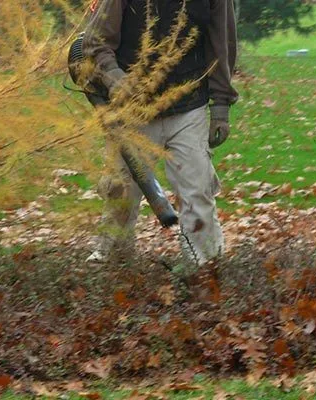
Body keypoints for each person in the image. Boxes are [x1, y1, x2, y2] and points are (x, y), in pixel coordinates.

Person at [83, 0, 238, 271]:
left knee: (198, 189)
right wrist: (116, 78)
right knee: (122, 190)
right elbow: (95, 43)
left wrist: (222, 106)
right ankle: (112, 267)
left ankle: (204, 269)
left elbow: (221, 44)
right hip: (133, 110)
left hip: (189, 104)